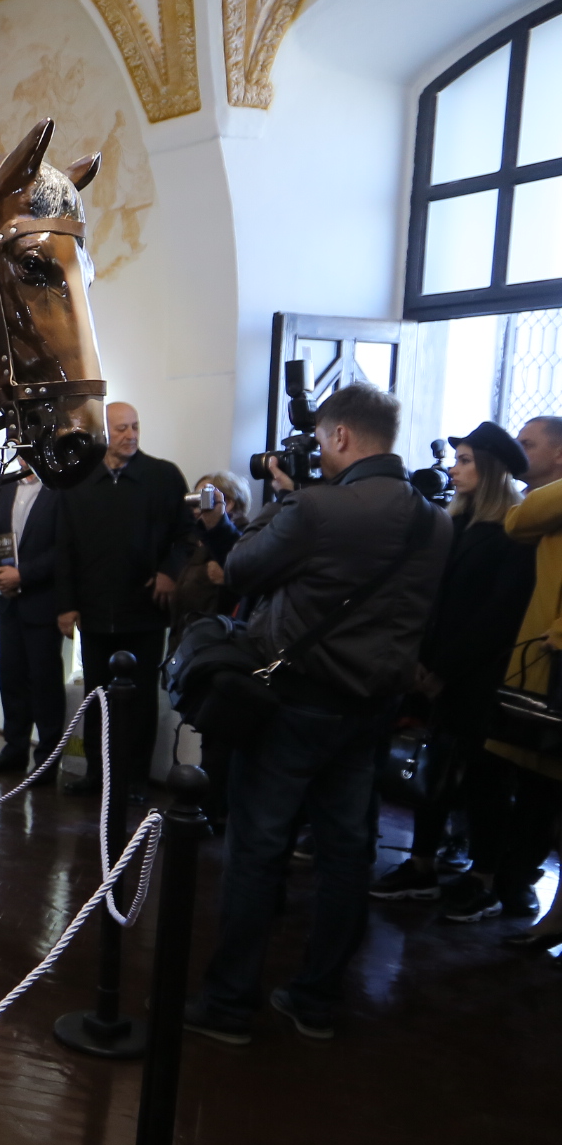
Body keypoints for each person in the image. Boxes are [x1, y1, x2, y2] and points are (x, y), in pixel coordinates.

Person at [185, 384, 451, 1044]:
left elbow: (242, 567)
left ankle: (229, 1004)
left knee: (257, 848)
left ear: (339, 438)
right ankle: (316, 999)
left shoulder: (318, 510)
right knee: (345, 852)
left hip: (293, 705)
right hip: (371, 711)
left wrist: (282, 500)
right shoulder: (434, 522)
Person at [366, 424, 534, 904]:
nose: (454, 469)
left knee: (485, 778)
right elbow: (430, 597)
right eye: (456, 460)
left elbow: (497, 615)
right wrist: (422, 660)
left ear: (492, 470)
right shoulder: (454, 523)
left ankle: (482, 876)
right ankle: (421, 863)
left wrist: (443, 668)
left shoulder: (513, 533)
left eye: (465, 461)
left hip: (481, 675)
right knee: (435, 771)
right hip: (437, 669)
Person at [440, 415, 562, 926]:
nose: (520, 449)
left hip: (540, 665)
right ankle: (497, 877)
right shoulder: (520, 511)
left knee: (538, 784)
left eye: (529, 444)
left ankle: (514, 881)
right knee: (496, 774)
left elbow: (518, 523)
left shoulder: (530, 509)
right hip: (521, 666)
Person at [55, 400, 194, 797]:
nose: (130, 435)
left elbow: (186, 536)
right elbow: (64, 547)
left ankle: (133, 780)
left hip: (145, 612)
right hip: (96, 612)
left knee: (140, 701)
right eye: (121, 429)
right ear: (103, 434)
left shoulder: (164, 477)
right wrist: (66, 605)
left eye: (135, 426)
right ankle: (97, 775)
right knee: (96, 697)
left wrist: (170, 572)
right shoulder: (78, 481)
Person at [0, 461, 63, 779]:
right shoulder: (3, 484)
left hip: (42, 602)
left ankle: (47, 761)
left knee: (45, 684)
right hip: (6, 600)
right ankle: (14, 751)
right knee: (11, 679)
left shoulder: (59, 487)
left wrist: (22, 574)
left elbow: (64, 547)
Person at [172, 471, 250, 827]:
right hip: (200, 648)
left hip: (224, 651)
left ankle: (215, 810)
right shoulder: (200, 541)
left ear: (229, 502)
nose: (197, 506)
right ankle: (211, 805)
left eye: (207, 497)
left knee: (220, 741)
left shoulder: (241, 542)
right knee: (208, 735)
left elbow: (241, 593)